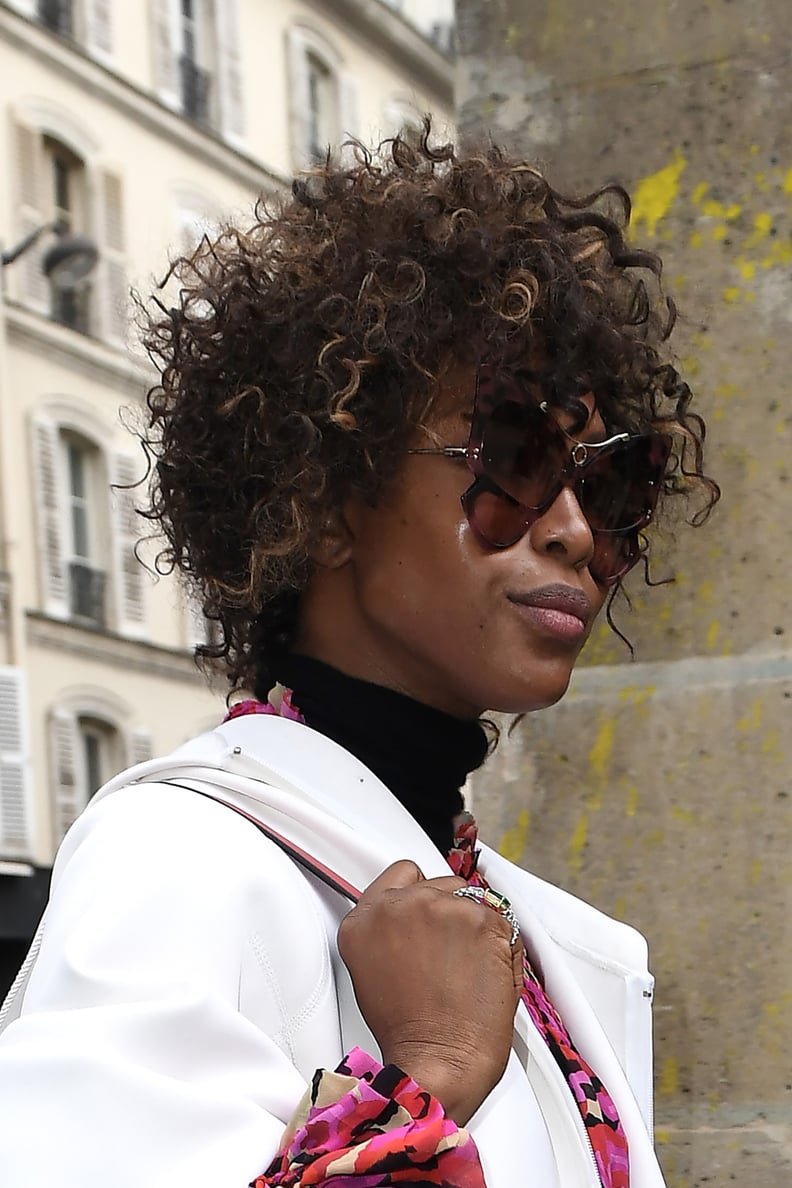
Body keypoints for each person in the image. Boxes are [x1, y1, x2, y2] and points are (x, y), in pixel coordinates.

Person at [0, 128, 717, 1188]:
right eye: (514, 459)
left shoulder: (554, 940)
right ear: (324, 505)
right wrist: (425, 1082)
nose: (572, 529)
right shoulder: (179, 858)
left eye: (609, 486)